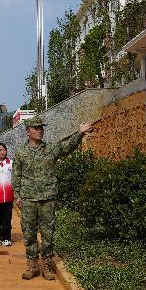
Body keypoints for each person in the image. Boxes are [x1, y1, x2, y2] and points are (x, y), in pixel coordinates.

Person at [13, 116, 95, 280]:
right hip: (29, 198)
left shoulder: (51, 148)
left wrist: (80, 133)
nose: (40, 130)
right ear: (27, 131)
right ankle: (33, 265)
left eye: (41, 127)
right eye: (36, 128)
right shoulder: (21, 153)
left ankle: (47, 265)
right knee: (28, 233)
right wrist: (17, 196)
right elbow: (16, 176)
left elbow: (67, 148)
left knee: (48, 233)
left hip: (48, 198)